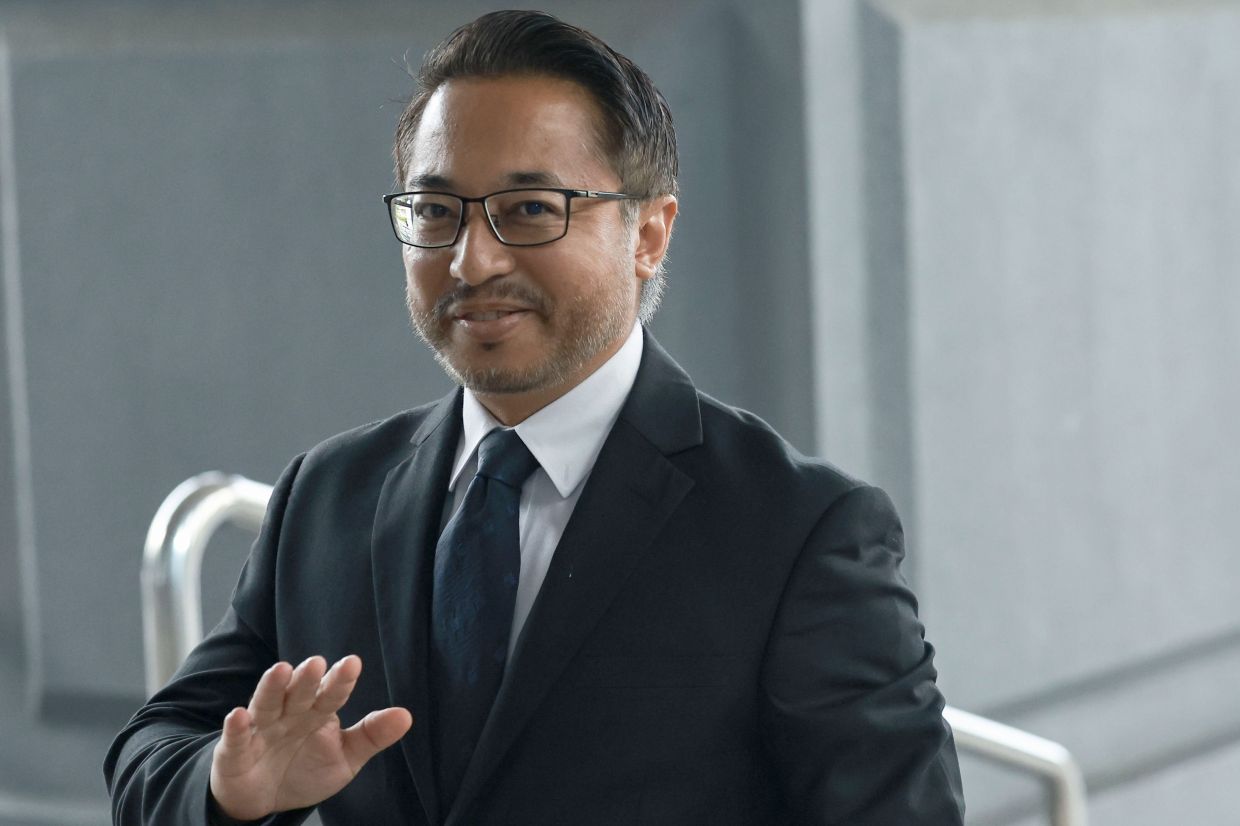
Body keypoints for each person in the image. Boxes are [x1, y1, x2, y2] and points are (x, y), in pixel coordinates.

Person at [105, 10, 965, 825]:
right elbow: (155, 748)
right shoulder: (328, 495)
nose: (471, 261)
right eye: (435, 212)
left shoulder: (795, 532)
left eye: (529, 210)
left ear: (648, 235)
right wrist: (228, 790)